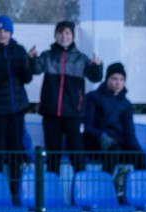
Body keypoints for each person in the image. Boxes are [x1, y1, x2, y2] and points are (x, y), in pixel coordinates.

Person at [29, 20, 102, 174]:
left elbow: (95, 77)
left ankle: (82, 191)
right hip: (51, 113)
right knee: (53, 155)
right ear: (55, 35)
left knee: (77, 154)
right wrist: (32, 58)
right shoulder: (47, 56)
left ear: (73, 36)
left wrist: (98, 65)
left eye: (67, 33)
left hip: (74, 114)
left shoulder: (81, 59)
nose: (64, 36)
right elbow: (35, 70)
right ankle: (52, 190)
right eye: (60, 32)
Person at [0, 15, 32, 203]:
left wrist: (26, 63)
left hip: (17, 110)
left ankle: (15, 193)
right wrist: (6, 67)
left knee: (16, 152)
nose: (2, 34)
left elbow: (26, 78)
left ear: (11, 32)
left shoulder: (19, 50)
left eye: (5, 30)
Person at [84, 61, 146, 193]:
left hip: (118, 144)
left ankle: (142, 190)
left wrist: (136, 148)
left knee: (139, 156)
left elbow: (129, 133)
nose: (118, 83)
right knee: (113, 150)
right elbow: (87, 126)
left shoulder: (126, 104)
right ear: (107, 79)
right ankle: (102, 190)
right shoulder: (93, 97)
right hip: (96, 143)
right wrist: (101, 135)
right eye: (114, 78)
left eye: (121, 79)